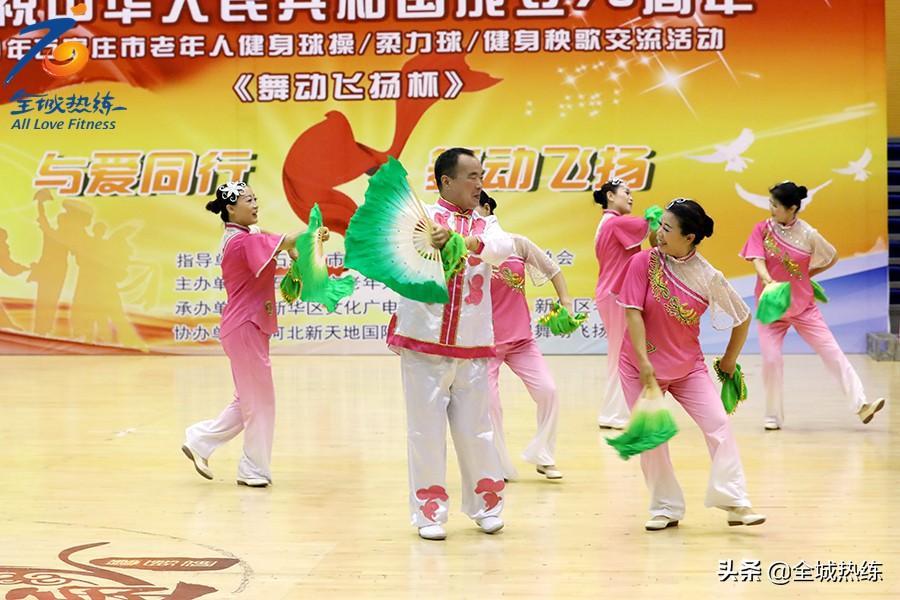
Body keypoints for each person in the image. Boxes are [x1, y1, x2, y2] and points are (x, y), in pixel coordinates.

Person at [387, 148, 514, 540]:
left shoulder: (487, 225)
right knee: (424, 432)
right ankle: (429, 513)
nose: (479, 184)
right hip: (424, 344)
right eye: (472, 176)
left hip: (472, 344)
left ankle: (486, 507)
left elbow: (502, 249)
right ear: (446, 181)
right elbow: (397, 252)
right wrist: (429, 237)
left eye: (481, 176)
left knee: (478, 430)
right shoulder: (421, 219)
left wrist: (464, 240)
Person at [616, 199, 765, 531]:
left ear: (690, 237)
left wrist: (729, 360)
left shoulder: (708, 276)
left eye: (668, 228)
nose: (659, 232)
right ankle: (665, 507)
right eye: (660, 225)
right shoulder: (643, 262)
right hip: (640, 368)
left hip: (687, 368)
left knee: (719, 425)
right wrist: (643, 361)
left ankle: (735, 501)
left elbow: (742, 317)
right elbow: (632, 312)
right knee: (652, 438)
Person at [182, 181, 310, 488]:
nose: (255, 204)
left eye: (255, 198)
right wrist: (315, 230)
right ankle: (252, 469)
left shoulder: (243, 234)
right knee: (260, 402)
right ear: (230, 208)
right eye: (248, 200)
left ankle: (200, 441)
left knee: (248, 400)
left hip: (247, 326)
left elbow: (274, 238)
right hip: (245, 327)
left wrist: (291, 247)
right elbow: (286, 240)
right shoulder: (241, 242)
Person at [739, 181, 886, 430]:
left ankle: (861, 405)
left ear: (792, 208)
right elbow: (757, 258)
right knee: (771, 361)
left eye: (775, 205)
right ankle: (772, 417)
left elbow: (832, 256)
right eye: (770, 204)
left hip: (803, 307)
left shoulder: (808, 234)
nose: (771, 209)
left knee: (832, 353)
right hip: (772, 307)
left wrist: (808, 275)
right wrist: (767, 279)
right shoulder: (762, 229)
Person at [477, 191, 569, 481]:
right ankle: (497, 464)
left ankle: (544, 456)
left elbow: (553, 270)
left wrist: (565, 302)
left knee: (548, 391)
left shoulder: (518, 244)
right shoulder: (467, 249)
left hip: (521, 341)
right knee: (490, 406)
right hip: (484, 344)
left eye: (473, 206)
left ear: (487, 208)